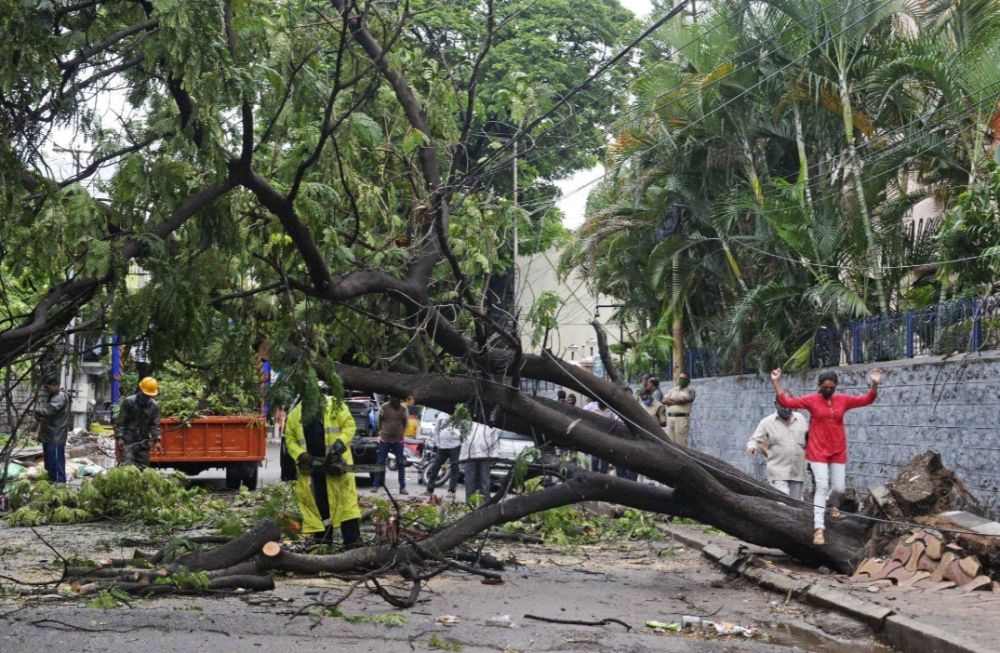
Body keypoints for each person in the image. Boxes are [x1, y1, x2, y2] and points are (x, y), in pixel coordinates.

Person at [771, 367, 882, 545]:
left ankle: (830, 505)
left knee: (839, 488)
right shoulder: (812, 400)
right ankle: (819, 528)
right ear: (819, 385)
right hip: (817, 450)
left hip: (837, 449)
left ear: (836, 386)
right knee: (822, 485)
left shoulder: (842, 400)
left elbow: (867, 399)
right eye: (825, 387)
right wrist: (776, 381)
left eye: (832, 387)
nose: (828, 390)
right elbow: (787, 401)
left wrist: (875, 383)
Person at [285, 389, 362, 547]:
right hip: (313, 469)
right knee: (320, 508)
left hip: (337, 467)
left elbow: (349, 426)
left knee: (347, 506)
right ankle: (323, 544)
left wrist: (339, 444)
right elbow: (290, 439)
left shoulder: (335, 405)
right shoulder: (295, 414)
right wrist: (300, 454)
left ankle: (352, 544)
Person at [746, 400, 808, 500]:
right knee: (782, 501)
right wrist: (752, 447)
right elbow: (755, 439)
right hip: (777, 471)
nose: (786, 408)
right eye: (782, 405)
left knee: (796, 504)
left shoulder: (800, 419)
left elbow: (808, 438)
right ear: (776, 404)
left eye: (788, 405)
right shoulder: (767, 422)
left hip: (797, 471)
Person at [116, 377, 161, 468]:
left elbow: (155, 425)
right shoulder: (128, 402)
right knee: (127, 468)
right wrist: (119, 437)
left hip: (143, 443)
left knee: (143, 469)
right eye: (145, 394)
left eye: (149, 395)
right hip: (128, 442)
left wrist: (157, 441)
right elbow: (121, 422)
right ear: (140, 390)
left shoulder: (154, 406)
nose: (147, 397)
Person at [35, 376, 69, 483]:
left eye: (48, 387)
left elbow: (50, 410)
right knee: (50, 464)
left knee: (55, 464)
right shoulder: (53, 395)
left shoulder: (60, 396)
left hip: (56, 436)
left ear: (55, 385)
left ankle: (59, 488)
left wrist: (37, 411)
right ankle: (52, 486)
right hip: (50, 435)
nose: (46, 390)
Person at [373, 395, 409, 494]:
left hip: (398, 440)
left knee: (401, 463)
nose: (396, 400)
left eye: (398, 399)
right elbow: (379, 422)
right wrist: (381, 432)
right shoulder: (384, 407)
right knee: (380, 462)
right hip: (385, 439)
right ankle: (375, 485)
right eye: (394, 398)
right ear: (390, 398)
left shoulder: (403, 409)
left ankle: (402, 487)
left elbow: (406, 423)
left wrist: (400, 432)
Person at [460, 421, 500, 504]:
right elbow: (463, 439)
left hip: (485, 456)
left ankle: (485, 505)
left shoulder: (490, 424)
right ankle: (470, 504)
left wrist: (494, 455)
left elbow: (495, 441)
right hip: (470, 457)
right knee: (470, 482)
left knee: (485, 482)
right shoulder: (469, 422)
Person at [425, 412, 461, 497]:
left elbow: (464, 430)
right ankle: (429, 489)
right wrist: (437, 443)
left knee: (454, 468)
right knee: (435, 467)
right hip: (442, 446)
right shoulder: (441, 415)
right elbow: (436, 429)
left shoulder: (460, 413)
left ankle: (451, 491)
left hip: (455, 446)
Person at [663, 373, 696, 446]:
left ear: (688, 380)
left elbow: (683, 400)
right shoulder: (673, 390)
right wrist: (676, 400)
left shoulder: (690, 391)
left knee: (681, 442)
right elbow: (664, 401)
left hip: (681, 419)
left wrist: (670, 401)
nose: (681, 380)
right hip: (670, 418)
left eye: (684, 379)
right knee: (670, 442)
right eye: (680, 378)